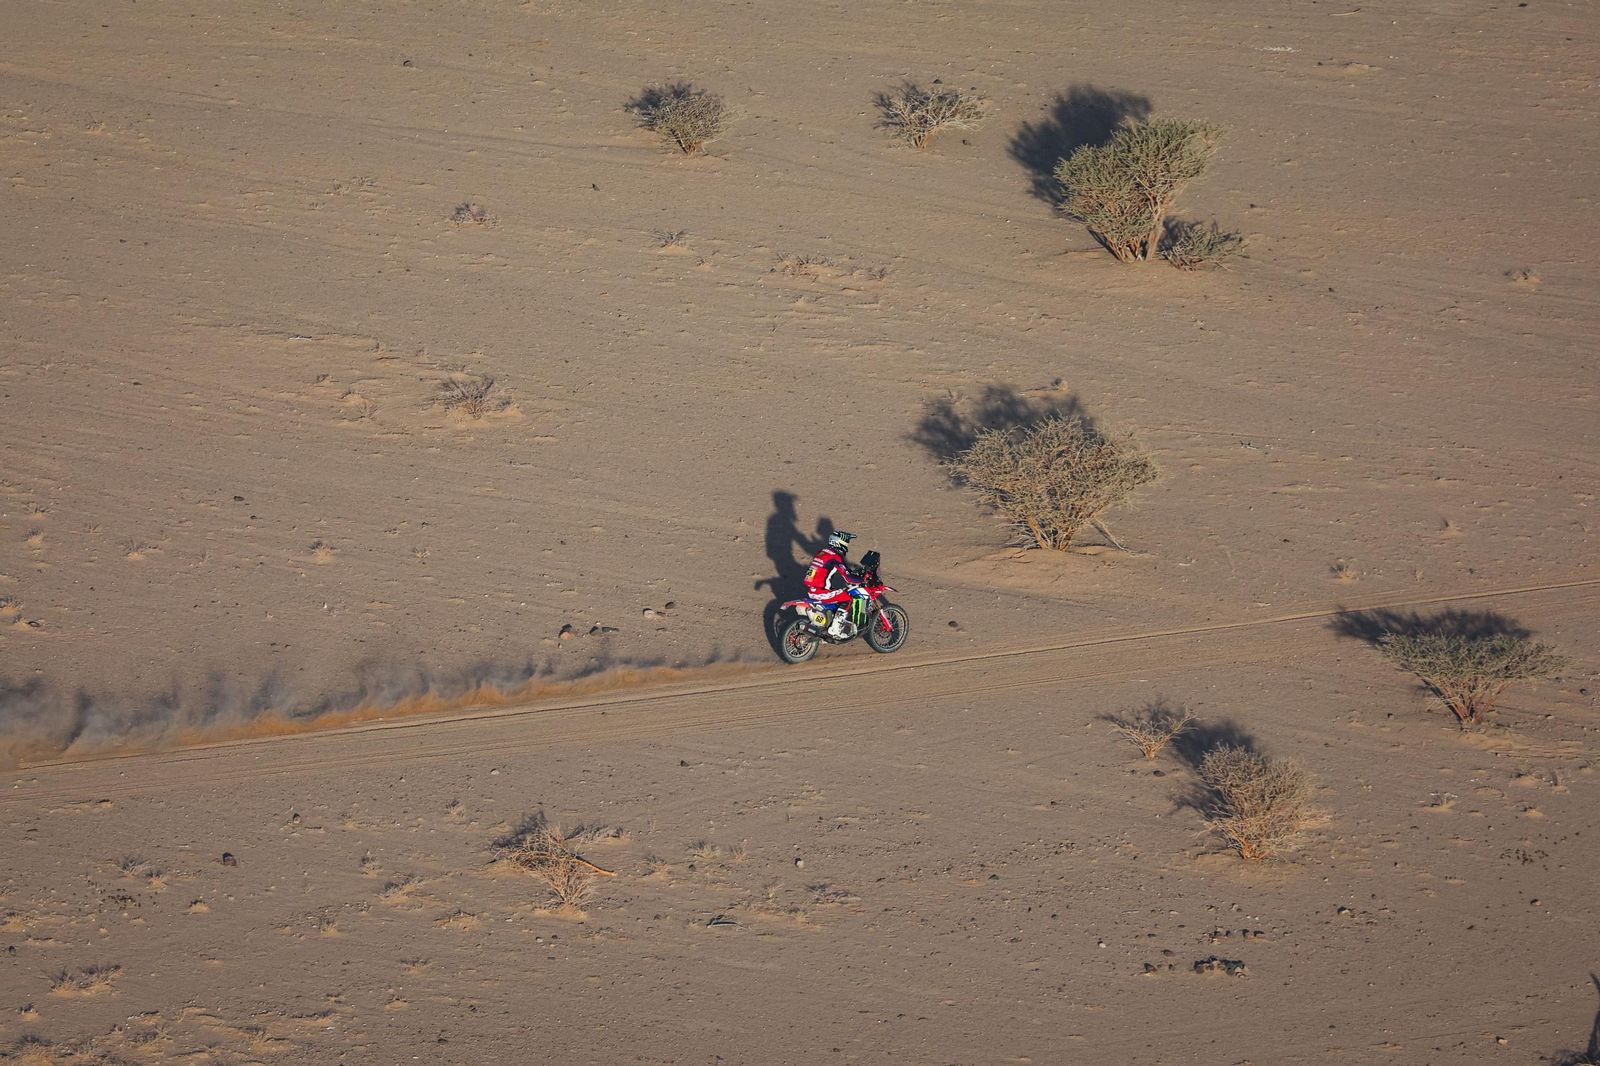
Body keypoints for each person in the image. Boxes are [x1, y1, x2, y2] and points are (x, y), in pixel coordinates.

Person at [803, 531, 868, 635]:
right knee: (849, 596)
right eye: (845, 543)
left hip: (812, 590)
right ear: (839, 543)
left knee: (838, 593)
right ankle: (836, 627)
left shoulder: (822, 552)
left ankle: (828, 621)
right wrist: (862, 579)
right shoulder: (836, 557)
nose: (846, 546)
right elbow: (848, 578)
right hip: (821, 592)